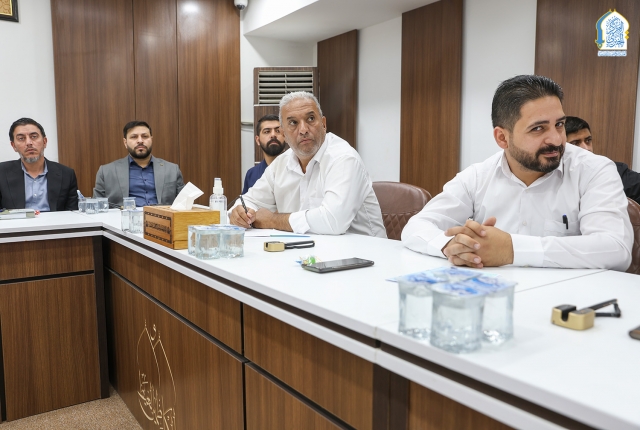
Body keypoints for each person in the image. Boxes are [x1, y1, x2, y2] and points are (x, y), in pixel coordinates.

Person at [402, 75, 633, 271]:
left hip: (568, 303)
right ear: (502, 138)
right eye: (538, 128)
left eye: (559, 125)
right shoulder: (477, 177)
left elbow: (616, 249)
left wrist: (512, 249)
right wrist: (451, 247)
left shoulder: (594, 170)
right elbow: (416, 227)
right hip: (495, 296)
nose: (556, 139)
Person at [229, 91, 386, 237]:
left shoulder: (343, 158)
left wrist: (272, 220)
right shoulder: (281, 163)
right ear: (283, 133)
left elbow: (333, 221)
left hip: (363, 254)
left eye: (310, 119)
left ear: (323, 124)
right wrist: (240, 214)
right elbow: (249, 201)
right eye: (293, 122)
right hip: (311, 252)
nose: (303, 130)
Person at [93, 121, 185, 207]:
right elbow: (96, 207)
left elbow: (184, 204)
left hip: (162, 218)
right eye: (134, 137)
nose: (140, 140)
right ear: (125, 142)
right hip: (123, 218)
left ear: (151, 140)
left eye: (145, 136)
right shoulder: (106, 172)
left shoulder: (172, 170)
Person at [0, 118, 78, 211]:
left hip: (54, 221)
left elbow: (71, 213)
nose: (29, 143)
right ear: (14, 146)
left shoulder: (66, 174)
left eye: (34, 136)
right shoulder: (2, 173)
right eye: (21, 138)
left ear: (44, 142)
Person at [565, 115, 640, 204]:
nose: (586, 148)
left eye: (588, 140)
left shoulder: (613, 171)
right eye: (575, 143)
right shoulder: (555, 178)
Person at [242, 114, 287, 194]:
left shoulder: (297, 169)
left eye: (278, 131)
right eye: (267, 132)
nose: (273, 135)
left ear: (285, 137)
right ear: (258, 140)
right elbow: (246, 201)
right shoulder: (251, 174)